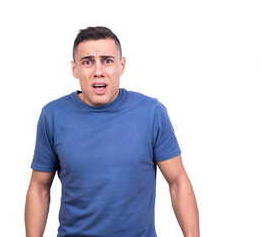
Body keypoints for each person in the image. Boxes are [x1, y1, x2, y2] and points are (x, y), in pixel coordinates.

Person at [25, 26, 200, 237]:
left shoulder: (151, 112)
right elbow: (39, 188)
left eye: (107, 60)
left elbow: (178, 182)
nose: (98, 71)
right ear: (74, 69)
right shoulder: (52, 115)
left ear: (122, 65)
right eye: (87, 62)